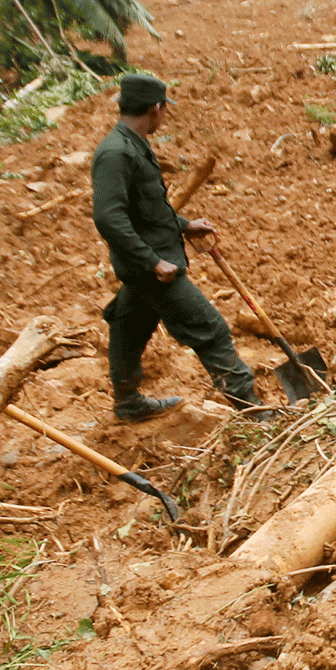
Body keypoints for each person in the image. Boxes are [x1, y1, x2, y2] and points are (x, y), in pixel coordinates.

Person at [91, 73, 265, 420]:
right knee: (210, 328)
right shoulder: (116, 153)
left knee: (127, 324)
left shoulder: (132, 144)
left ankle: (127, 402)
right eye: (164, 109)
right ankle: (256, 412)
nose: (164, 115)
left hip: (147, 265)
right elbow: (109, 218)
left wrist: (184, 225)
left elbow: (148, 209)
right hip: (154, 269)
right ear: (155, 108)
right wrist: (153, 262)